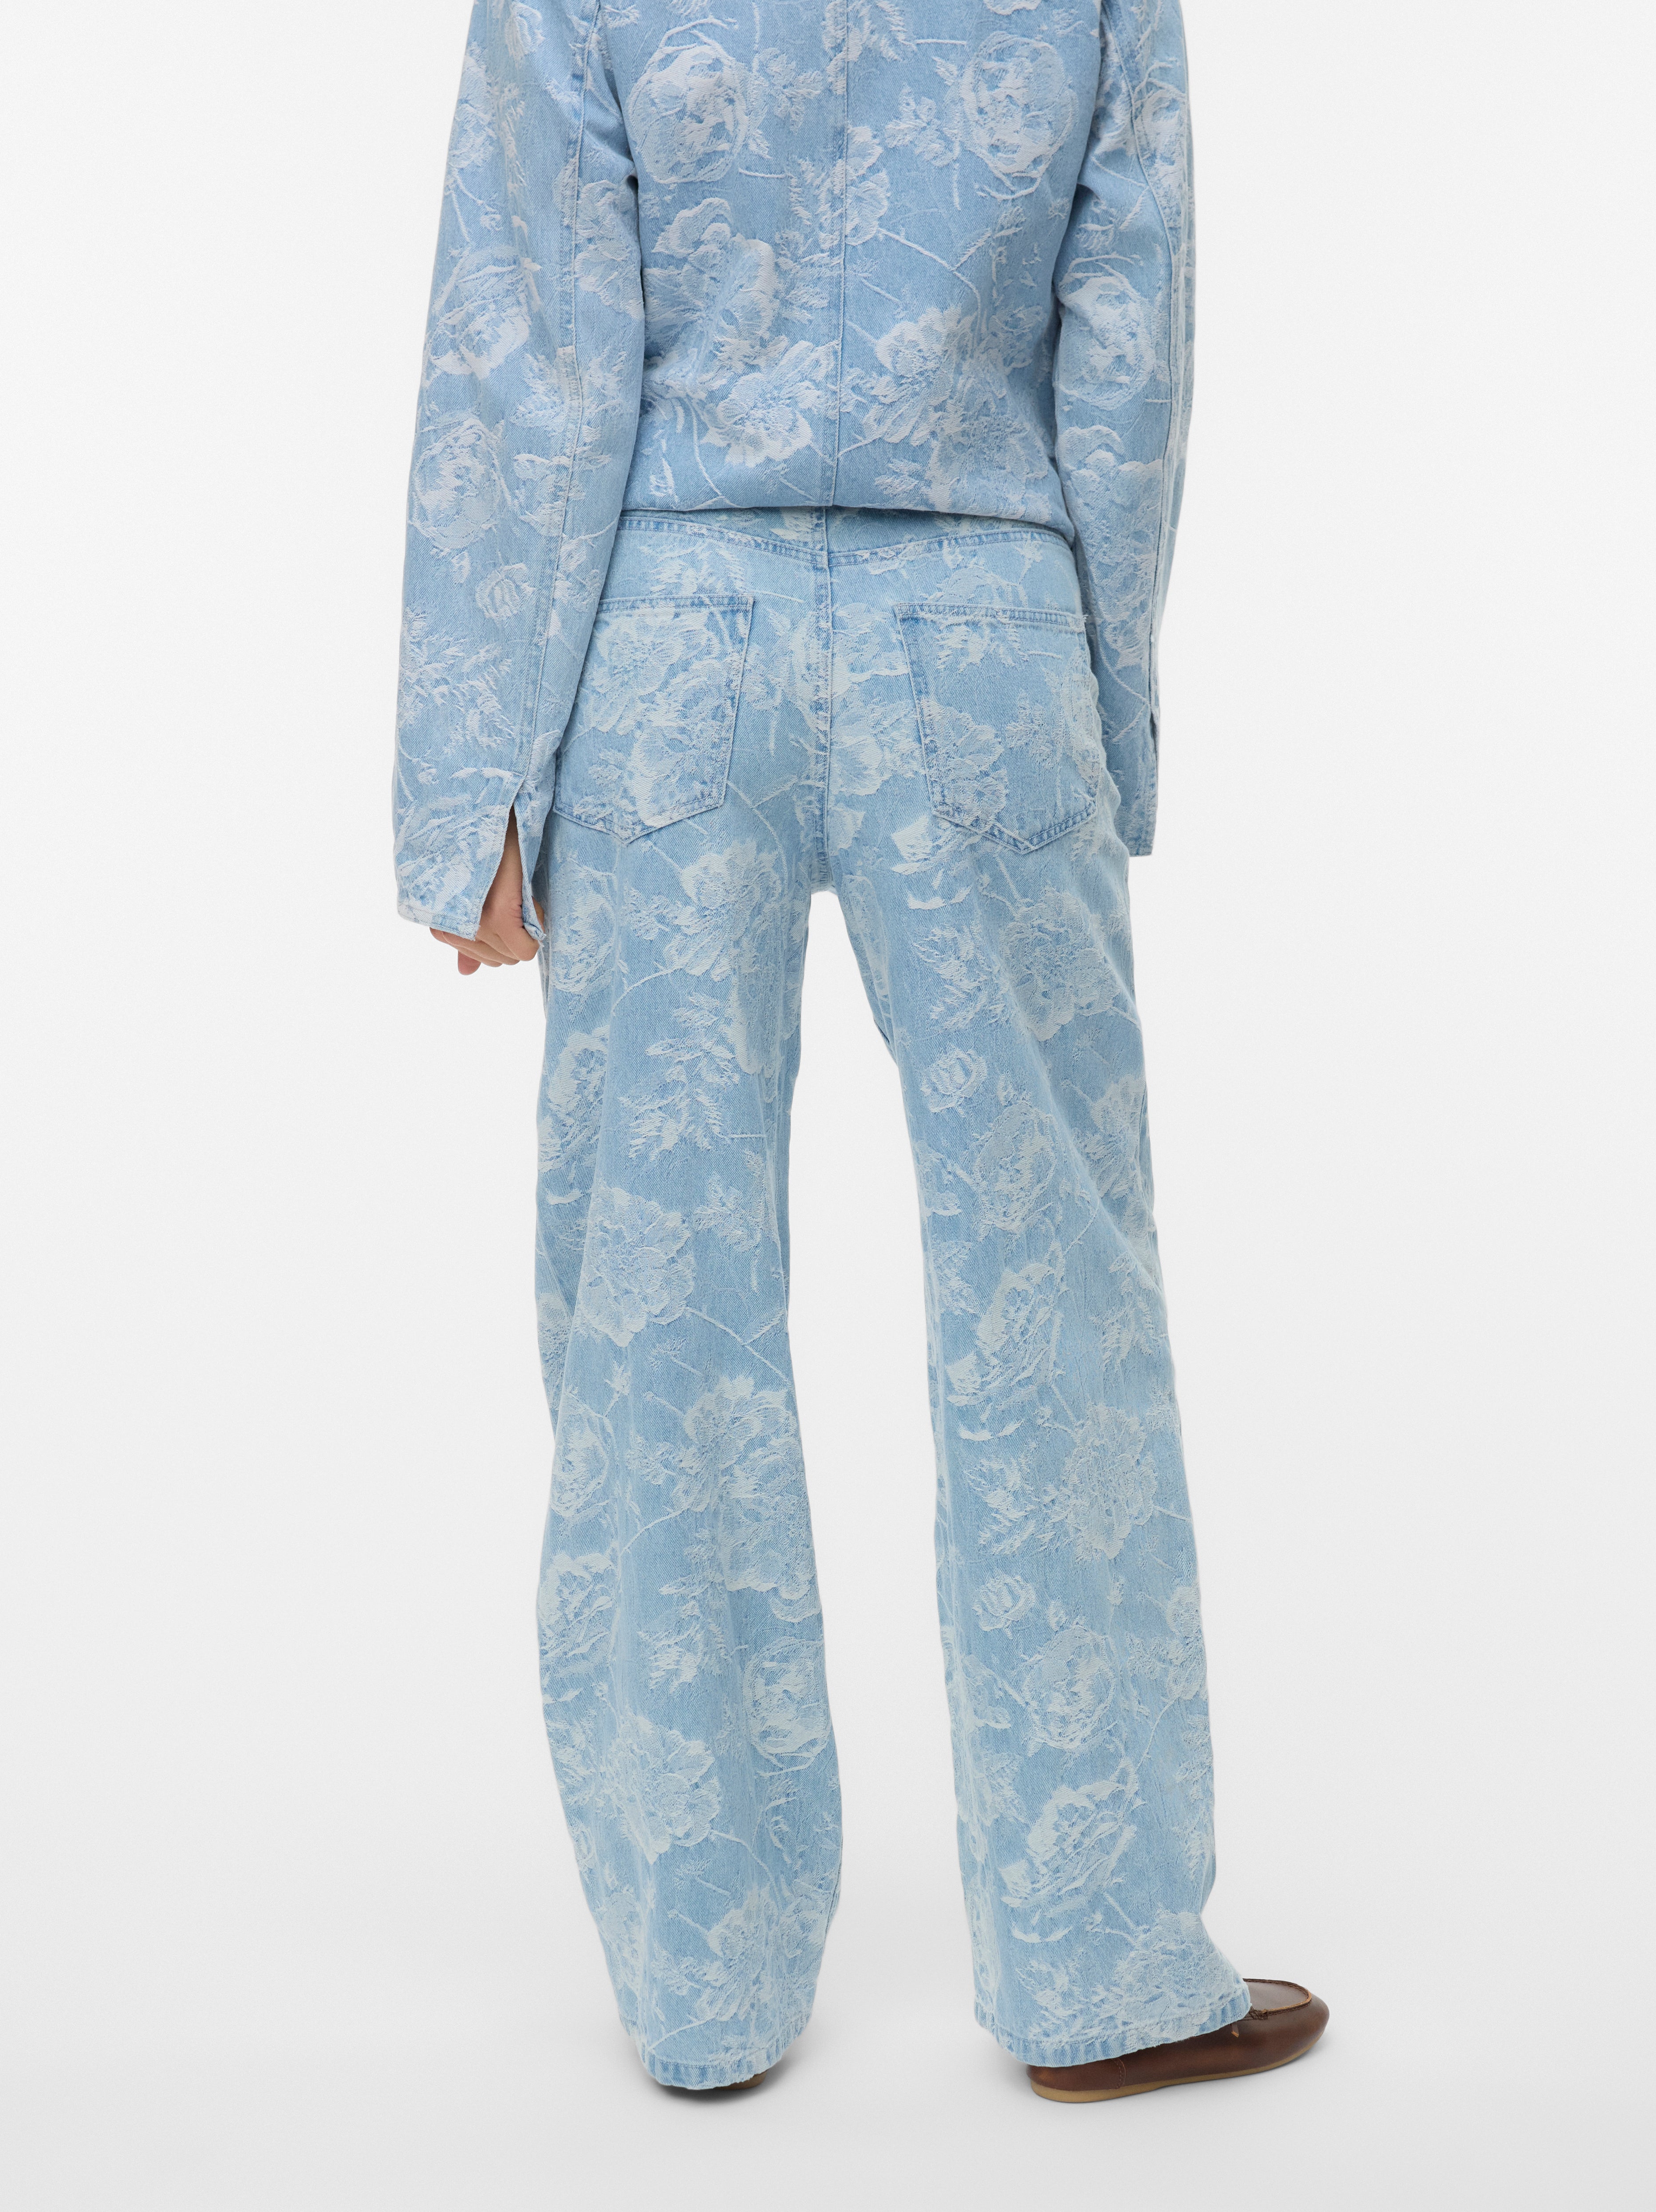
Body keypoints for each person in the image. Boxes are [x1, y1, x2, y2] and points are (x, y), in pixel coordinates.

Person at [393, 0, 1325, 2101]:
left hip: (664, 646)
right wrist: (1103, 704)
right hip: (986, 631)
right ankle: (1104, 1961)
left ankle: (701, 1983)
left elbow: (526, 347)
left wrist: (479, 791)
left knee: (657, 1311)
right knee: (1059, 1297)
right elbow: (1127, 334)